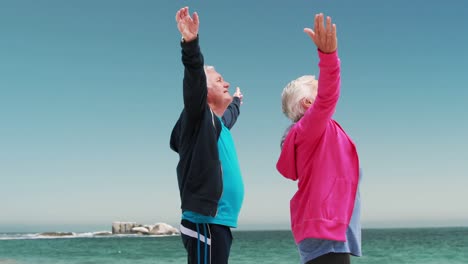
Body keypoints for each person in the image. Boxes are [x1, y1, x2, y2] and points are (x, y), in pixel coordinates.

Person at [276, 13, 362, 264]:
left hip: (326, 227)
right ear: (308, 103)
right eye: (317, 85)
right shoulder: (309, 128)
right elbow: (328, 97)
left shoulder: (311, 133)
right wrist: (329, 57)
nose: (322, 86)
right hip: (324, 228)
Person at [170, 6, 245, 264]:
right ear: (204, 89)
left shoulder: (216, 126)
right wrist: (190, 45)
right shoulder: (198, 118)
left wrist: (235, 102)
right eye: (220, 79)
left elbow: (229, 118)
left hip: (219, 223)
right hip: (205, 221)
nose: (225, 83)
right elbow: (193, 81)